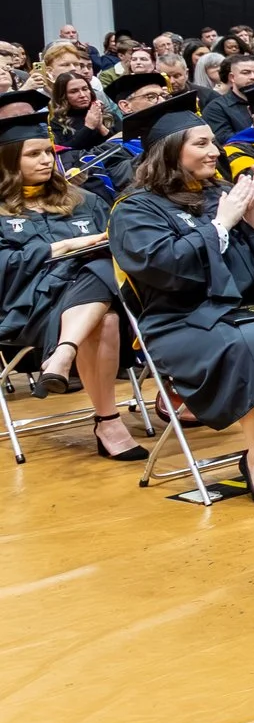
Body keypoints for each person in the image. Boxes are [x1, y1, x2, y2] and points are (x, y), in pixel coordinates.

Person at [108, 95, 254, 504]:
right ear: (170, 152)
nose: (216, 151)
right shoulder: (135, 210)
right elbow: (164, 269)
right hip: (179, 320)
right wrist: (222, 225)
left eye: (212, 142)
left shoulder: (222, 193)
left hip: (240, 310)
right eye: (201, 144)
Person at [0, 100, 128, 456]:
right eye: (34, 154)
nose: (46, 160)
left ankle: (63, 356)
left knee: (101, 270)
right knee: (103, 302)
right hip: (29, 308)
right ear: (9, 160)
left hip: (97, 303)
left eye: (48, 152)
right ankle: (107, 421)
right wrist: (67, 246)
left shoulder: (83, 200)